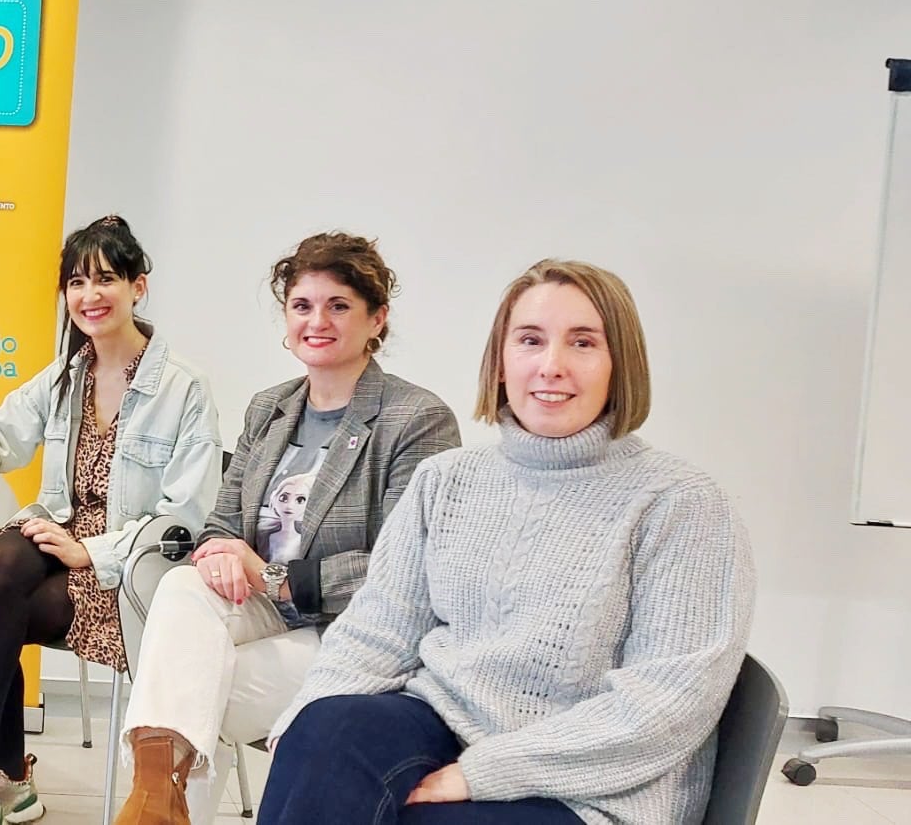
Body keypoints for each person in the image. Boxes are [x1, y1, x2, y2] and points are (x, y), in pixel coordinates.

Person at [258, 260, 756, 824]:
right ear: (500, 361)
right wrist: (302, 722)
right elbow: (378, 629)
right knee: (326, 731)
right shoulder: (446, 480)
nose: (551, 365)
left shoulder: (681, 502)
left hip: (593, 786)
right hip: (443, 722)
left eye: (583, 342)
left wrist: (481, 773)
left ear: (621, 365)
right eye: (530, 340)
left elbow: (667, 704)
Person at [116, 233, 461, 824]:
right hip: (258, 611)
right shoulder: (269, 408)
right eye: (302, 305)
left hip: (351, 637)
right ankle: (155, 799)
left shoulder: (416, 419)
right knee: (183, 590)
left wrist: (274, 578)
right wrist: (219, 550)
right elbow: (222, 522)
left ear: (377, 319)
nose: (316, 321)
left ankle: (151, 805)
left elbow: (408, 569)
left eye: (338, 306)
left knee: (190, 693)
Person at [0, 215, 223, 825]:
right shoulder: (67, 376)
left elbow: (185, 518)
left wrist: (92, 552)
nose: (90, 295)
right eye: (77, 282)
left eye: (106, 279)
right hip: (59, 534)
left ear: (138, 287)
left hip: (127, 567)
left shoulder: (184, 388)